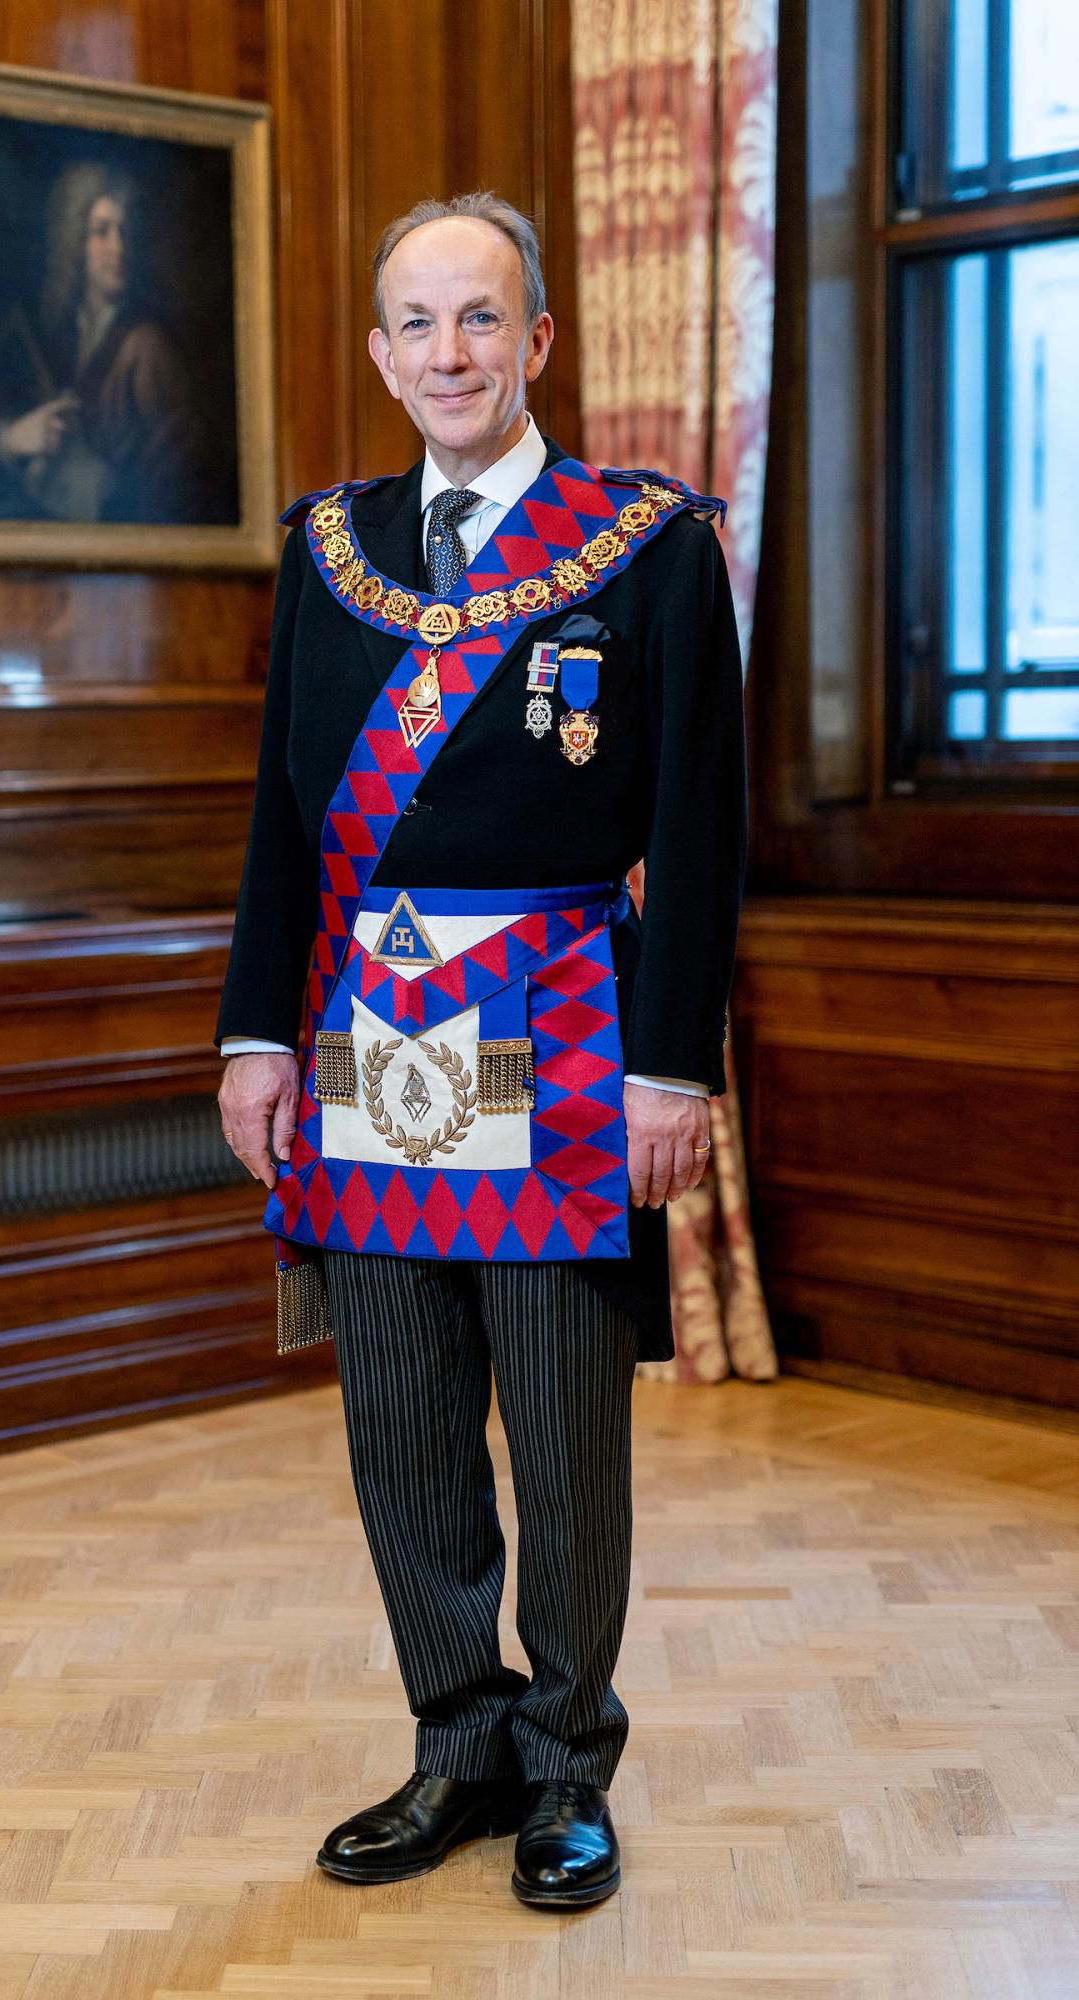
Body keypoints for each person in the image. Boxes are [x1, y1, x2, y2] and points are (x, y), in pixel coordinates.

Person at [216, 192, 746, 1911]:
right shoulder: (327, 550)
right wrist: (252, 1033)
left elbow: (703, 825)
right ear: (380, 356)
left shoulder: (650, 544)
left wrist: (676, 1069)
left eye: (479, 319)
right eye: (415, 324)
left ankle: (566, 1762)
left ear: (537, 342)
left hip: (568, 1030)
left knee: (563, 1424)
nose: (448, 353)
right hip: (371, 1043)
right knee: (407, 1419)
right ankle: (456, 1743)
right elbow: (284, 833)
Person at [0, 162, 229, 525]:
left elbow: (177, 479)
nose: (118, 247)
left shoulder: (148, 345)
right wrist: (13, 439)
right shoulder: (59, 331)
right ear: (75, 242)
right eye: (101, 231)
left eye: (126, 232)